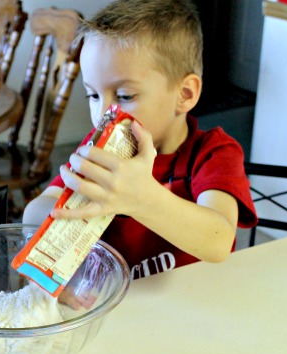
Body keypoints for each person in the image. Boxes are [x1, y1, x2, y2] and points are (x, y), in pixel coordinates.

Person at [23, 0, 257, 279]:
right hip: (121, 307)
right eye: (93, 95)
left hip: (196, 308)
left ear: (184, 94)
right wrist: (73, 201)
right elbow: (32, 215)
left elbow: (218, 241)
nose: (103, 115)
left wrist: (141, 199)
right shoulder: (99, 150)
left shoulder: (212, 152)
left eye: (124, 96)